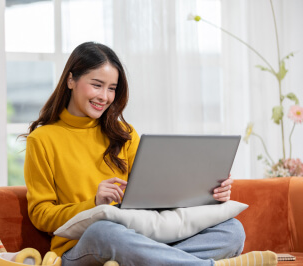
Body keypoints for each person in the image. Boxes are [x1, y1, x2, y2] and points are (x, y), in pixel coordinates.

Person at [23, 42, 277, 266]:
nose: (105, 96)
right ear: (71, 80)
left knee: (231, 230)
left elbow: (152, 196)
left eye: (112, 88)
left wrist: (207, 193)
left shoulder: (124, 133)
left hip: (139, 238)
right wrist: (94, 204)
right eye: (97, 85)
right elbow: (41, 214)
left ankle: (147, 261)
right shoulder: (42, 140)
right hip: (82, 246)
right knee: (105, 232)